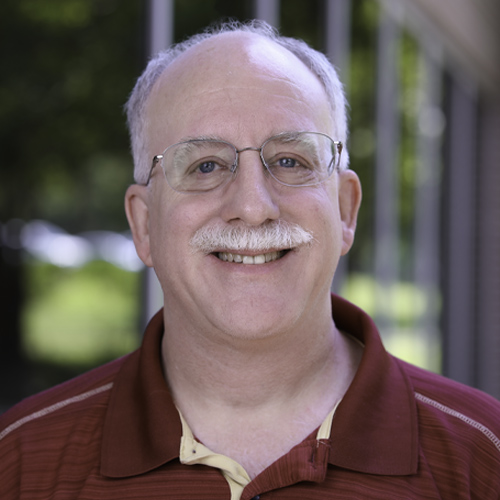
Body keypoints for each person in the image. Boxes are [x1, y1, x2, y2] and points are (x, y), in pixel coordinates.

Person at [1, 20, 499, 500]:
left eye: (290, 160)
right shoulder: (19, 464)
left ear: (346, 210)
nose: (253, 207)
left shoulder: (484, 459)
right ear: (144, 223)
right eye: (206, 165)